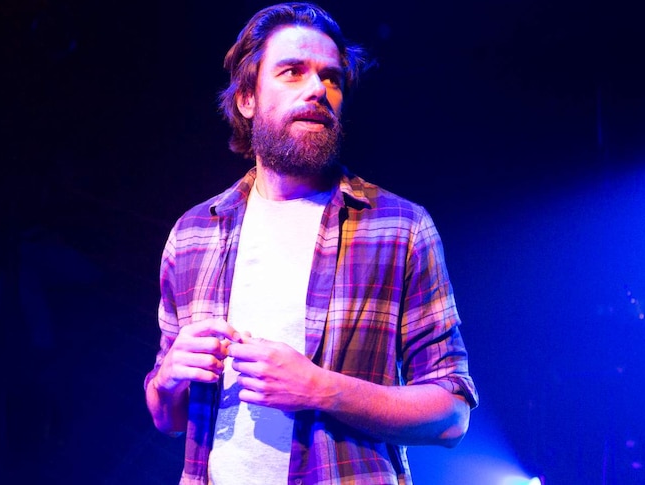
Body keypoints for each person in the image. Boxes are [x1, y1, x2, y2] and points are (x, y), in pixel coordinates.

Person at [143, 3, 478, 484]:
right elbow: (168, 419)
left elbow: (451, 416)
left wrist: (319, 388)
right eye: (292, 72)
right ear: (246, 99)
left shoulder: (399, 228)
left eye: (332, 78)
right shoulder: (194, 233)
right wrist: (170, 377)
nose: (318, 89)